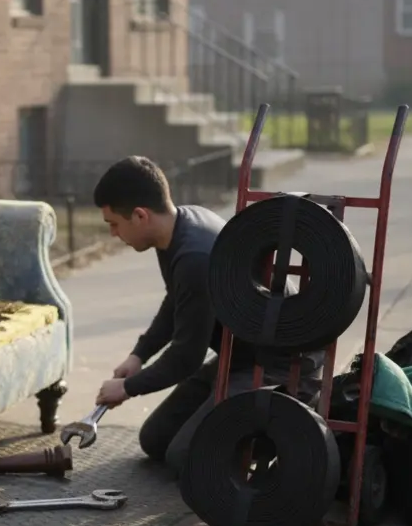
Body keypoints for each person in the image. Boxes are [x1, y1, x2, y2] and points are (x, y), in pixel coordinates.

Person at [90, 156, 323, 476]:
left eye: (114, 224)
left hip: (279, 362)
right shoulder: (178, 226)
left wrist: (128, 389)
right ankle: (233, 426)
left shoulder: (194, 257)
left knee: (186, 457)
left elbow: (186, 357)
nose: (114, 234)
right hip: (239, 354)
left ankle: (285, 428)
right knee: (155, 440)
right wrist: (139, 355)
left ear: (140, 215)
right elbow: (177, 302)